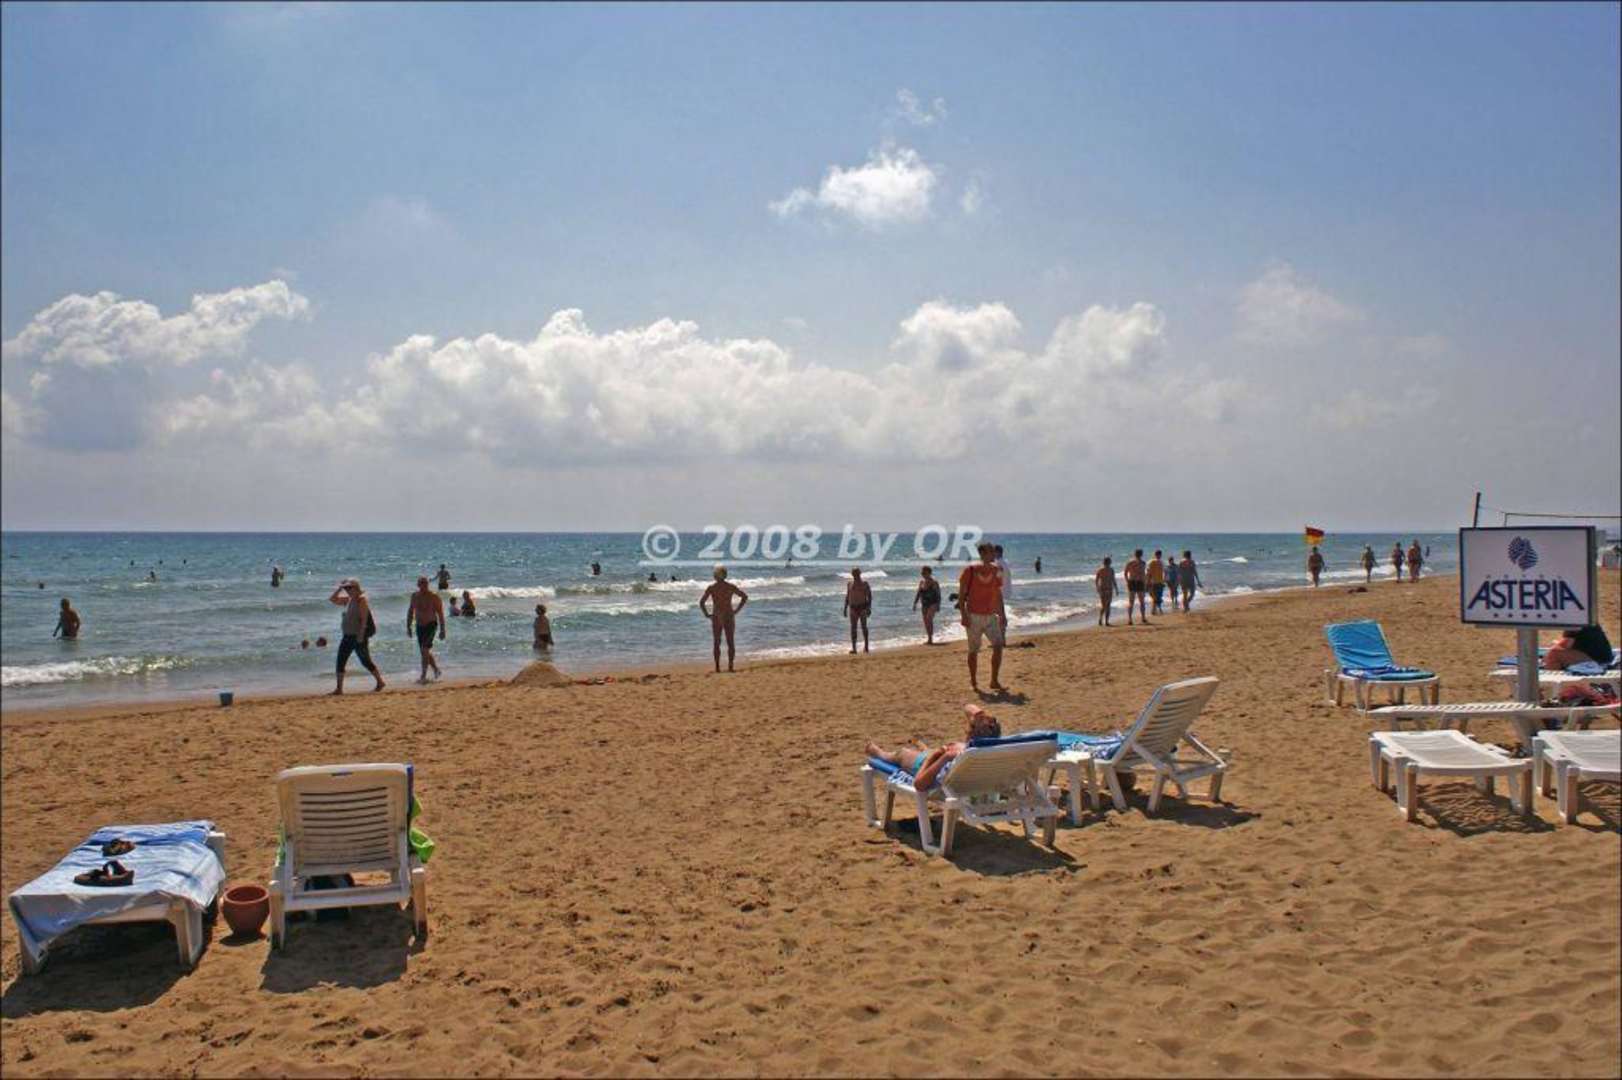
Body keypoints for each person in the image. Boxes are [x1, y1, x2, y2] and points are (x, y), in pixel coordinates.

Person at [866, 704, 1003, 788]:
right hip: (967, 781)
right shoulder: (993, 751)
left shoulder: (956, 756)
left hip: (930, 768)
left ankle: (879, 753)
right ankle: (925, 749)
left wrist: (938, 756)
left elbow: (919, 784)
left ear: (971, 733)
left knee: (902, 754)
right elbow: (969, 708)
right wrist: (980, 716)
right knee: (931, 750)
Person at [957, 542, 1007, 693]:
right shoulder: (970, 571)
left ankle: (994, 680)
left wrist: (1002, 614)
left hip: (991, 616)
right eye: (990, 552)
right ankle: (973, 680)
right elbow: (961, 596)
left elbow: (998, 593)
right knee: (973, 650)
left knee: (998, 646)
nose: (994, 554)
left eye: (993, 551)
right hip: (973, 616)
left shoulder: (997, 570)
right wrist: (963, 615)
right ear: (982, 554)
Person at [329, 579, 384, 694]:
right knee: (340, 661)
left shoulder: (361, 600)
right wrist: (340, 588)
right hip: (347, 636)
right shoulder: (348, 600)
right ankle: (339, 689)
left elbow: (364, 620)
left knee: (365, 661)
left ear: (356, 588)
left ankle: (380, 682)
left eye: (349, 588)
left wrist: (361, 636)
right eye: (346, 588)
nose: (347, 590)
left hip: (357, 637)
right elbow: (332, 599)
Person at [700, 564, 748, 672]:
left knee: (717, 642)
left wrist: (707, 614)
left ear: (715, 576)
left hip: (717, 616)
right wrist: (737, 610)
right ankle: (730, 667)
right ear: (725, 575)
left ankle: (717, 667)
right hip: (729, 615)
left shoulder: (712, 588)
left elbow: (701, 602)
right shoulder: (730, 587)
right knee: (730, 641)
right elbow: (744, 597)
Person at [406, 576, 446, 683]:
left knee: (424, 650)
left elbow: (440, 614)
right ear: (418, 585)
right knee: (425, 652)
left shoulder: (434, 597)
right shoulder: (414, 596)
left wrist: (442, 630)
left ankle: (423, 675)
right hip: (419, 626)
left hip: (431, 625)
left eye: (426, 583)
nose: (424, 585)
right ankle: (436, 670)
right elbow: (410, 611)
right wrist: (408, 627)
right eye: (422, 583)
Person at [1544, 625, 1614, 670]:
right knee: (1555, 648)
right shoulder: (1587, 618)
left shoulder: (1573, 622)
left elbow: (1565, 644)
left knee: (1554, 653)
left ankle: (1550, 682)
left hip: (1596, 663)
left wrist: (1554, 646)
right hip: (1603, 658)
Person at [844, 567, 873, 654]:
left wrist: (869, 608)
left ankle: (866, 647)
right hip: (853, 609)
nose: (855, 575)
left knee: (864, 627)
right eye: (854, 574)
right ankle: (854, 648)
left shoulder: (864, 584)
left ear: (859, 574)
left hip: (862, 608)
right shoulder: (849, 584)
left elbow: (869, 596)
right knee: (853, 628)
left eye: (856, 573)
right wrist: (845, 608)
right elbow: (847, 596)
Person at [913, 565, 942, 644]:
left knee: (929, 619)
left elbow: (938, 595)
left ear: (929, 573)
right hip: (924, 604)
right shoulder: (921, 582)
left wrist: (938, 605)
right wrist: (915, 603)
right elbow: (918, 593)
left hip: (933, 603)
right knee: (925, 621)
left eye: (924, 572)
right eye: (922, 572)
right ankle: (929, 638)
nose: (923, 574)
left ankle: (930, 639)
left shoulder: (934, 582)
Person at [1123, 549, 1148, 624]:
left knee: (1131, 602)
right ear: (1141, 554)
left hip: (1132, 582)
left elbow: (1125, 573)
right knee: (1141, 601)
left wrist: (1127, 581)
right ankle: (1143, 617)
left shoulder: (1130, 562)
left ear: (1134, 554)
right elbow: (1143, 575)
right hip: (1139, 582)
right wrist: (1145, 583)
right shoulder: (1143, 563)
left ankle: (1130, 619)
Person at [994, 544, 1014, 630]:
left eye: (993, 552)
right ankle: (1001, 629)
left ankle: (1001, 630)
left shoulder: (998, 563)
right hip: (1004, 589)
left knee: (999, 612)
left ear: (997, 552)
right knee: (1000, 611)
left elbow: (997, 577)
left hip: (999, 590)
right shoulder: (1005, 562)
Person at [1094, 556, 1117, 626]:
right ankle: (1102, 619)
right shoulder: (1102, 570)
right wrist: (1098, 588)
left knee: (1106, 606)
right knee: (1105, 606)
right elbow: (1097, 580)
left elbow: (1113, 580)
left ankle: (1105, 621)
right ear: (1109, 562)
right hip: (1105, 589)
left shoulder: (1109, 570)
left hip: (1107, 589)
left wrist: (1116, 588)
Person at [1147, 549, 1167, 615]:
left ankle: (1154, 610)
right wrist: (1164, 580)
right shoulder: (1162, 562)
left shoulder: (1151, 562)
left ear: (1155, 554)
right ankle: (1155, 610)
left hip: (1153, 581)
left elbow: (1148, 572)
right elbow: (1165, 572)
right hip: (1160, 582)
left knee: (1154, 596)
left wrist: (1147, 581)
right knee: (1158, 596)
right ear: (1161, 555)